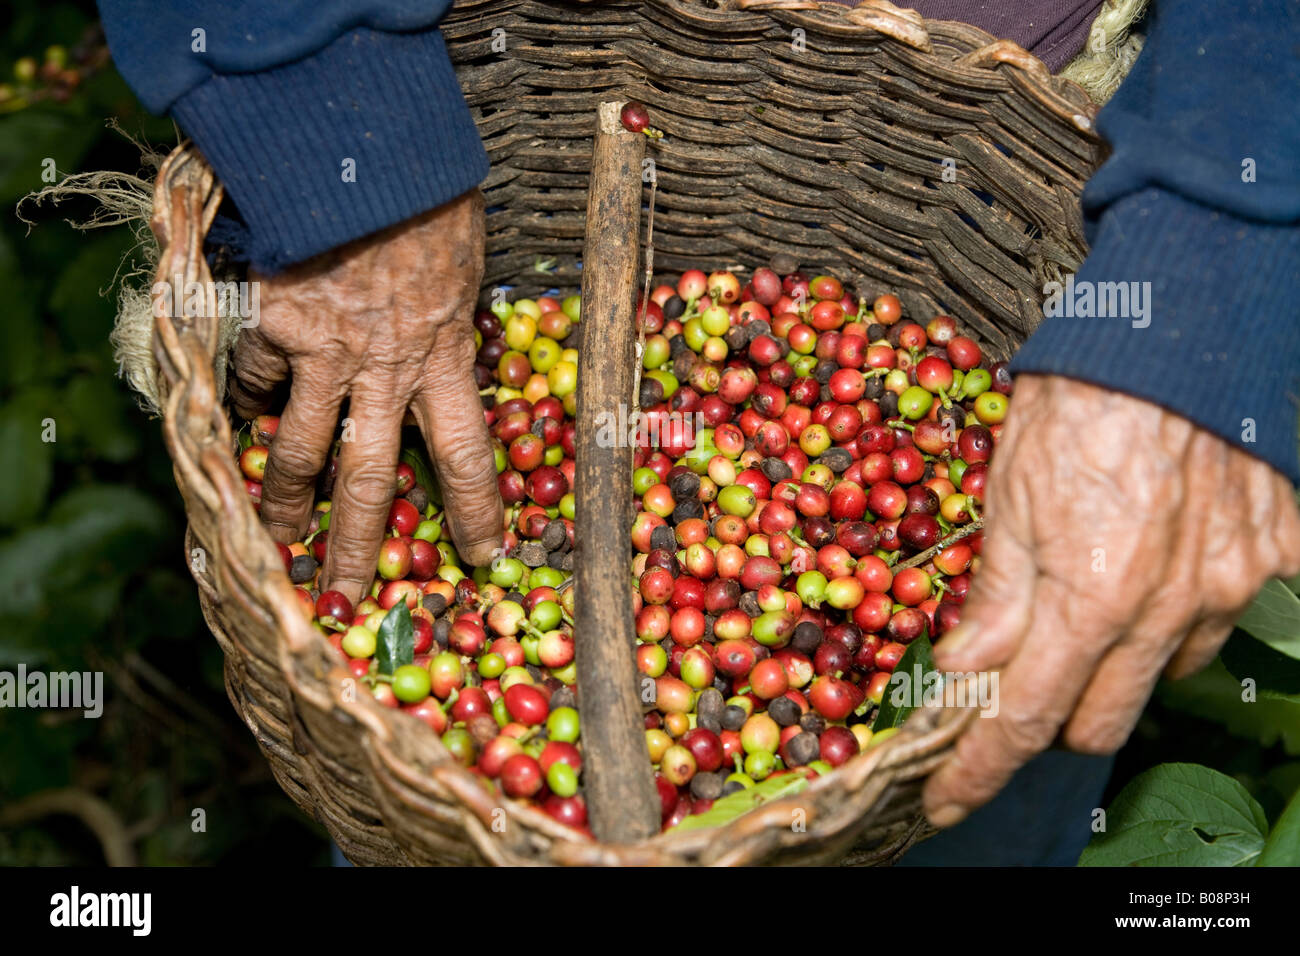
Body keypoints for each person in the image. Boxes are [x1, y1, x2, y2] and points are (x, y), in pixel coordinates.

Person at [98, 0, 1300, 865]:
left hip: (1047, 133)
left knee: (1003, 742)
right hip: (469, 64)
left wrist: (1219, 244)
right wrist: (323, 101)